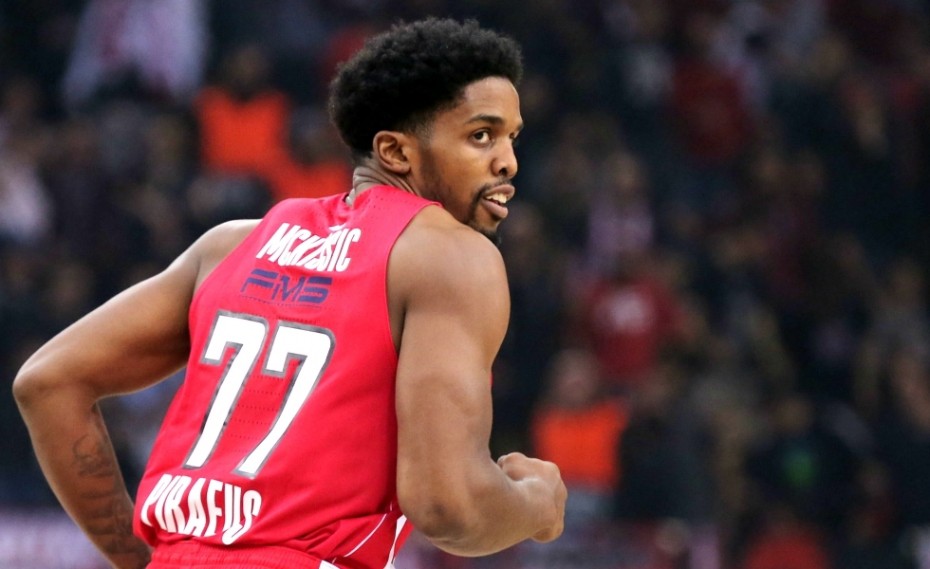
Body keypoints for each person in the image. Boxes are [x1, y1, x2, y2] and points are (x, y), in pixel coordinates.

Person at [13, 17, 566, 569]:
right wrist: (535, 505)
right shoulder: (449, 255)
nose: (508, 161)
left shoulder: (231, 245)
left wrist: (139, 560)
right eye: (481, 136)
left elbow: (48, 382)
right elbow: (449, 507)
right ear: (395, 153)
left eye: (512, 138)